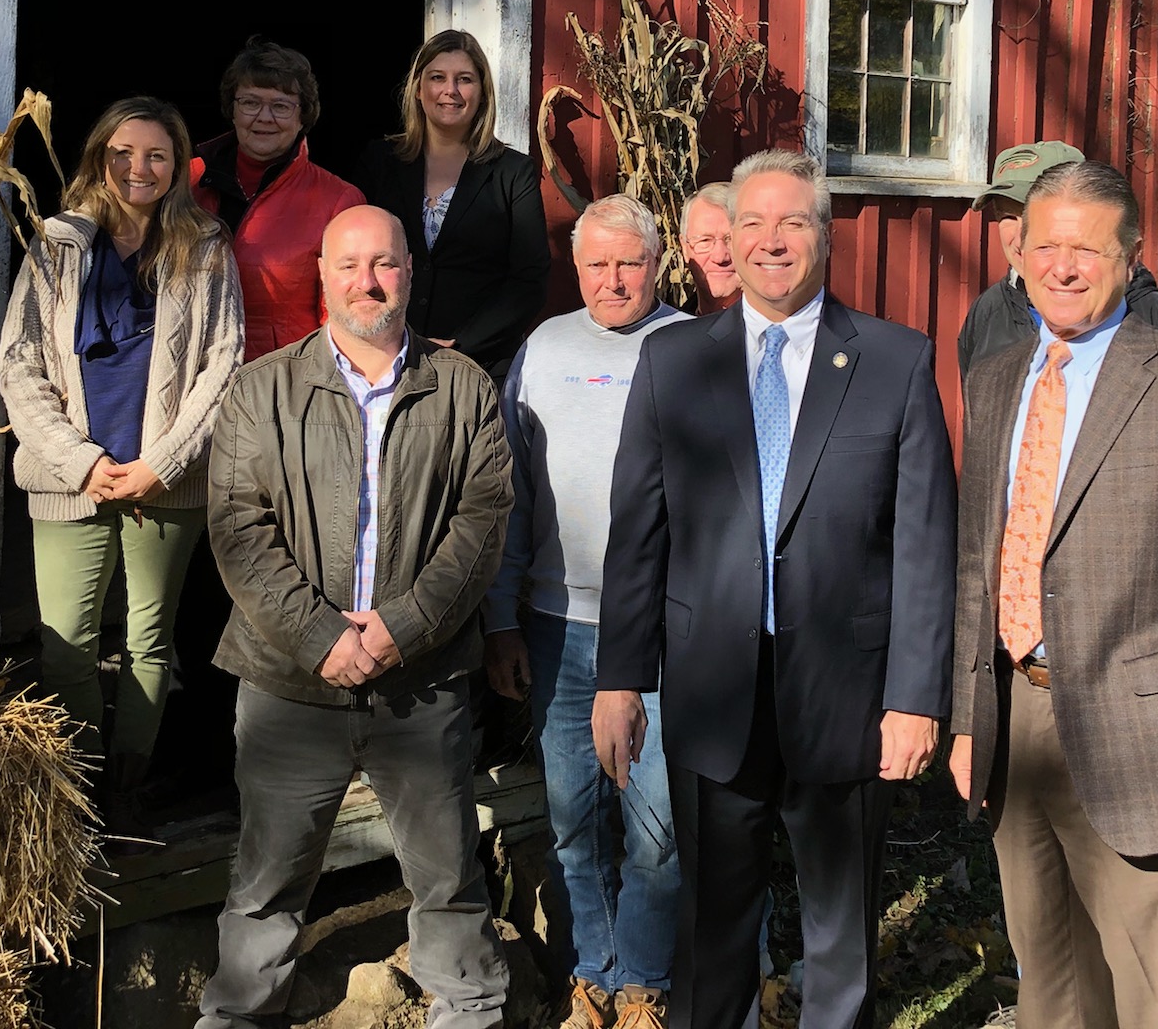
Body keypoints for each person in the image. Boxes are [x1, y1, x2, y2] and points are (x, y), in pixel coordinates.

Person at [594, 149, 958, 1029]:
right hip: (713, 694)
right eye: (752, 223)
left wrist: (915, 698)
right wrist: (618, 677)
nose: (770, 241)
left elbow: (923, 544)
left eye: (792, 222)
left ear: (824, 238)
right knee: (713, 926)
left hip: (845, 696)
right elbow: (638, 535)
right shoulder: (674, 362)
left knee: (842, 940)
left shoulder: (895, 361)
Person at [949, 160, 1158, 1029]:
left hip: (1140, 720)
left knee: (1155, 986)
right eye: (1045, 245)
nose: (1062, 267)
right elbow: (973, 564)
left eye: (1086, 251)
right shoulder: (995, 378)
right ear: (1017, 252)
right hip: (1013, 713)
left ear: (1130, 261)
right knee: (1049, 971)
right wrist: (963, 711)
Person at [196, 204, 513, 1029]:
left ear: (410, 271)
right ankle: (239, 1013)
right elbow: (236, 527)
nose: (368, 281)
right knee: (266, 881)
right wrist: (319, 636)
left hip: (423, 676)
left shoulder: (464, 388)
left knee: (447, 874)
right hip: (288, 682)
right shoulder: (260, 389)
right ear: (323, 277)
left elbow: (480, 528)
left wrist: (399, 629)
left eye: (385, 263)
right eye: (349, 265)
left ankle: (471, 1008)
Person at [0, 96, 245, 816]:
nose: (139, 169)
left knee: (149, 641)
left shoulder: (203, 248)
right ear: (99, 159)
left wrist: (160, 464)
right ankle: (79, 790)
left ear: (178, 166)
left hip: (163, 482)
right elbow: (19, 364)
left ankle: (127, 789)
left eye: (156, 156)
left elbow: (222, 367)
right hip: (70, 477)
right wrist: (79, 462)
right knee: (67, 644)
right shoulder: (58, 243)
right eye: (123, 154)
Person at [485, 196, 688, 1029]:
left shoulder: (693, 348)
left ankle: (643, 980)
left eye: (629, 262)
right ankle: (592, 972)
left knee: (657, 821)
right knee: (574, 815)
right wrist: (501, 618)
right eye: (597, 264)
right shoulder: (542, 349)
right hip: (556, 621)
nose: (613, 279)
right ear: (576, 270)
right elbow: (510, 498)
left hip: (666, 628)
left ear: (658, 264)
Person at [357, 30, 550, 382]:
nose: (451, 90)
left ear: (482, 93)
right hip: (387, 361)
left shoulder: (512, 172)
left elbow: (529, 281)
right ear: (418, 89)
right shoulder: (380, 162)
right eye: (437, 78)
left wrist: (461, 344)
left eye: (465, 79)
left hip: (481, 365)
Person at [958, 140, 1158, 379]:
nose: (1020, 237)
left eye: (1032, 217)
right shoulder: (988, 312)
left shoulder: (1154, 319)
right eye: (1007, 217)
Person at [190, 39, 364, 361]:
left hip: (283, 385)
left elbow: (344, 320)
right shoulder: (186, 181)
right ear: (232, 108)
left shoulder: (338, 200)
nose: (265, 117)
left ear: (303, 118)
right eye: (251, 102)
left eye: (281, 106)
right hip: (191, 377)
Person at [679, 182, 740, 313]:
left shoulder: (781, 328)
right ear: (684, 248)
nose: (720, 257)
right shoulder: (670, 330)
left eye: (731, 240)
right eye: (705, 240)